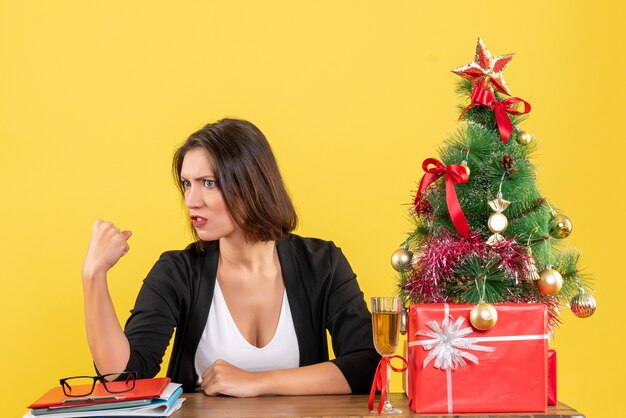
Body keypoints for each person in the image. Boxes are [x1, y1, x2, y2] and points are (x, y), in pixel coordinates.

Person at [81, 118, 380, 397]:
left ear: (251, 185)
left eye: (208, 183)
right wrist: (94, 275)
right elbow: (123, 379)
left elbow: (368, 366)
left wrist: (256, 382)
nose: (191, 201)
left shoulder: (322, 263)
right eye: (187, 184)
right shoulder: (177, 271)